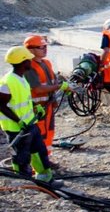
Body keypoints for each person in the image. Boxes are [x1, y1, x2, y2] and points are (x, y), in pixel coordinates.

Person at [0, 46, 56, 183]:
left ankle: (45, 179)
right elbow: (1, 105)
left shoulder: (21, 78)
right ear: (23, 61)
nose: (31, 62)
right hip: (16, 128)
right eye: (29, 60)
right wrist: (18, 121)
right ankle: (24, 183)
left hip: (30, 123)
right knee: (22, 157)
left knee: (39, 151)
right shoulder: (8, 82)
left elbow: (22, 100)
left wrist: (35, 107)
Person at [23, 35, 68, 152]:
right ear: (30, 49)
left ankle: (47, 160)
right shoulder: (29, 67)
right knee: (40, 135)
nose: (45, 49)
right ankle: (38, 167)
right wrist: (59, 86)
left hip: (48, 106)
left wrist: (63, 86)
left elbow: (53, 81)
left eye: (45, 46)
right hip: (37, 109)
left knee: (49, 133)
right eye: (41, 47)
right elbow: (37, 89)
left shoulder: (46, 63)